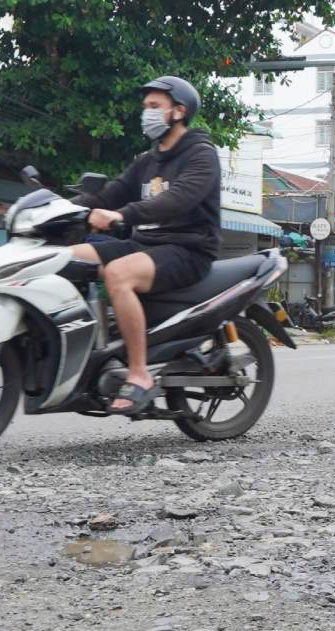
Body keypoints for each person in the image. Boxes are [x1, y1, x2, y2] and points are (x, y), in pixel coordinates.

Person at [68, 76, 220, 415]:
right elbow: (109, 194)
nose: (146, 114)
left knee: (118, 274)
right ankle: (86, 353)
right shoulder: (147, 161)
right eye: (145, 108)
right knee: (66, 260)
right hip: (145, 246)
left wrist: (120, 215)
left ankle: (139, 375)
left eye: (154, 107)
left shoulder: (201, 155)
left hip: (188, 250)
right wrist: (64, 208)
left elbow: (176, 200)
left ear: (178, 112)